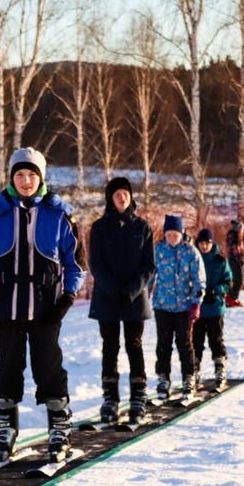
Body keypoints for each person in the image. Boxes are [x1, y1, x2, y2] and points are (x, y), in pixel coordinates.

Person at [0, 147, 86, 464]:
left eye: (31, 174)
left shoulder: (60, 214)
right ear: (11, 177)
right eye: (20, 175)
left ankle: (59, 429)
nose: (25, 181)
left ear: (41, 177)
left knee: (48, 366)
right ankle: (5, 430)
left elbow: (76, 263)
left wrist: (67, 297)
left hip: (47, 308)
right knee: (8, 367)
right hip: (7, 307)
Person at [87, 177, 155, 426]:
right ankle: (110, 399)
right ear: (110, 198)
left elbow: (149, 265)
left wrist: (132, 290)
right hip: (108, 297)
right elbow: (95, 263)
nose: (122, 198)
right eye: (117, 194)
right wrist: (113, 289)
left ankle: (138, 398)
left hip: (135, 299)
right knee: (110, 346)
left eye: (125, 193)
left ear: (131, 196)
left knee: (134, 345)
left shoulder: (143, 227)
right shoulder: (99, 227)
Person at [151, 215, 206, 401]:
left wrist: (196, 302)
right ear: (164, 234)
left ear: (181, 234)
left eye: (175, 234)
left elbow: (199, 278)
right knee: (163, 344)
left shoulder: (190, 251)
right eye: (168, 234)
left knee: (184, 344)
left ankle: (188, 378)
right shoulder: (157, 250)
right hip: (162, 305)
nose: (172, 237)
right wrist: (141, 296)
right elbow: (150, 276)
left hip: (184, 306)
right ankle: (163, 379)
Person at [193, 229, 233, 391]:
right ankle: (194, 372)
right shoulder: (193, 258)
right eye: (201, 243)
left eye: (207, 243)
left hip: (215, 307)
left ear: (212, 243)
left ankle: (220, 371)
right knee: (196, 341)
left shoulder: (220, 261)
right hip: (197, 308)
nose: (204, 246)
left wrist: (215, 290)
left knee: (215, 340)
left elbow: (229, 282)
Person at [225, 220, 244, 307]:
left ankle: (229, 298)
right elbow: (236, 252)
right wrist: (241, 262)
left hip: (231, 261)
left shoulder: (230, 237)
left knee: (233, 280)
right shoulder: (236, 239)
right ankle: (233, 299)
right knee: (239, 281)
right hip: (236, 262)